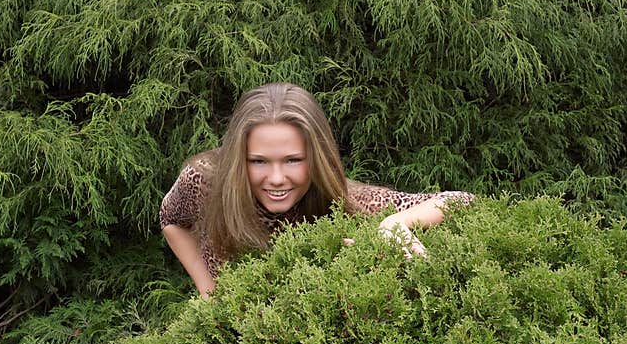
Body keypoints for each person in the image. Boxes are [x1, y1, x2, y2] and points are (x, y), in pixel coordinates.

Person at [160, 82, 474, 297]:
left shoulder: (347, 203)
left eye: (294, 160)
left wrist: (395, 223)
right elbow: (170, 218)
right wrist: (208, 291)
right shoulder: (205, 181)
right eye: (258, 161)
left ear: (317, 157)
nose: (277, 178)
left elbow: (463, 201)